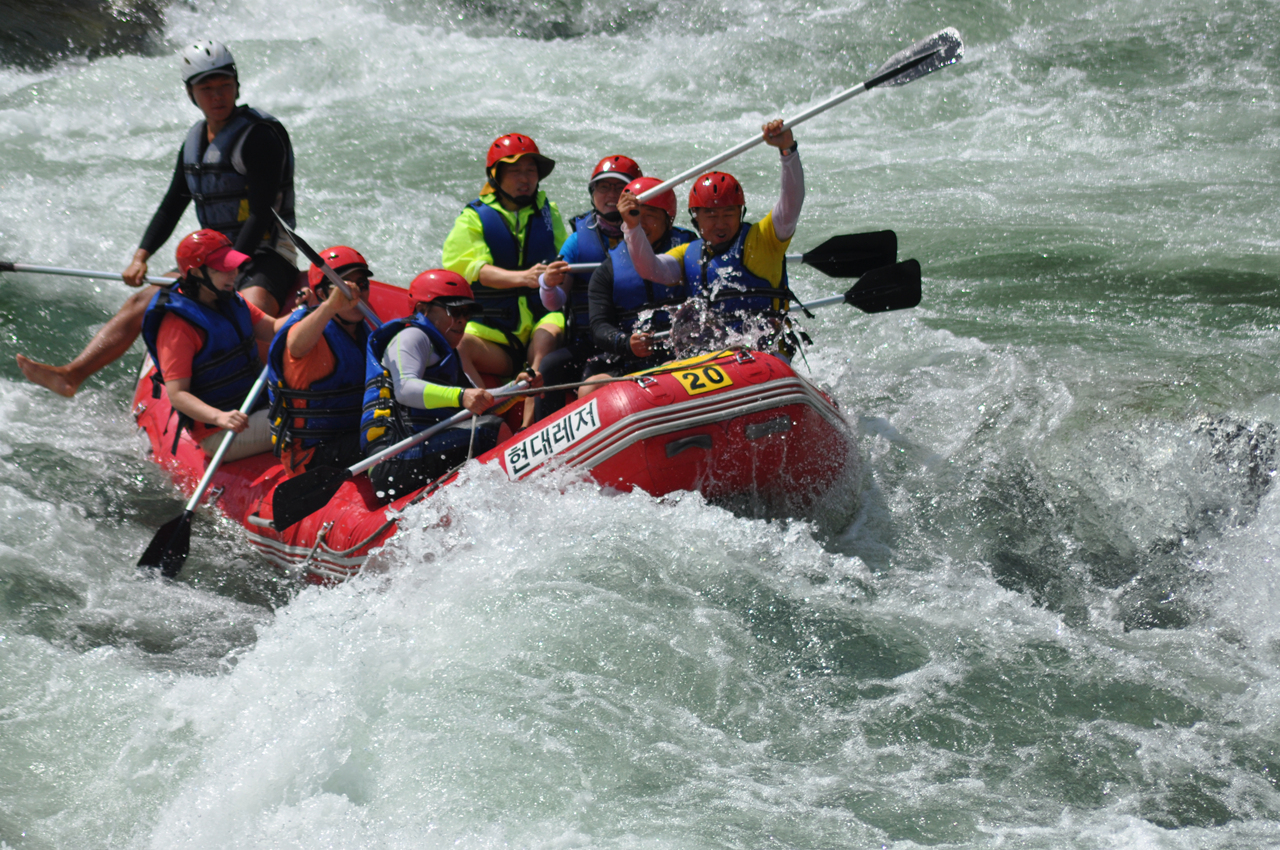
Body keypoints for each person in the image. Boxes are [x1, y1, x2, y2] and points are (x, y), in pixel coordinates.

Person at [16, 39, 299, 397]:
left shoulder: (259, 137)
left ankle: (256, 396)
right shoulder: (195, 140)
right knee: (142, 301)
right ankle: (71, 375)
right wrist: (141, 256)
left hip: (266, 253)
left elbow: (260, 213)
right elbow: (172, 203)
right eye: (206, 89)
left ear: (237, 85)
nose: (217, 96)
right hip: (213, 258)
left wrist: (231, 269)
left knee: (250, 308)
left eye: (225, 85)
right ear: (191, 94)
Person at [620, 119, 802, 352]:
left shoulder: (765, 239)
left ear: (741, 213)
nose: (720, 223)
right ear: (696, 218)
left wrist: (787, 150)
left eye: (729, 213)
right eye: (711, 215)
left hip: (768, 354)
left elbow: (791, 202)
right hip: (712, 359)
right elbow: (651, 269)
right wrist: (632, 227)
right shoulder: (689, 254)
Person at [360, 270, 518, 502]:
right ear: (423, 309)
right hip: (393, 459)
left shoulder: (447, 353)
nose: (462, 320)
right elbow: (405, 389)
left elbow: (480, 402)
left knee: (487, 423)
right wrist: (461, 396)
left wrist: (518, 389)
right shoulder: (411, 337)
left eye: (466, 313)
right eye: (454, 311)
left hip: (422, 447)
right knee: (491, 430)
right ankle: (515, 496)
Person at [141, 229, 282, 462]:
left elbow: (274, 328)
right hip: (221, 432)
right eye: (222, 269)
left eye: (233, 266)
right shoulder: (177, 327)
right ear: (197, 272)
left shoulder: (229, 300)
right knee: (309, 420)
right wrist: (219, 417)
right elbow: (177, 395)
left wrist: (314, 311)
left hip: (258, 406)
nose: (233, 274)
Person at [440, 133, 569, 387]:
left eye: (531, 171)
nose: (525, 179)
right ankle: (484, 403)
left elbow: (565, 257)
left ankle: (531, 405)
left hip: (541, 317)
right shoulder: (472, 217)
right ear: (495, 176)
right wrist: (524, 278)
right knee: (459, 346)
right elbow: (473, 269)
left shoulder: (548, 212)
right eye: (515, 171)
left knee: (547, 336)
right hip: (493, 329)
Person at [580, 176, 698, 395]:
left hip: (680, 355)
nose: (640, 224)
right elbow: (599, 326)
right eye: (635, 215)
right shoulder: (607, 271)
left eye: (650, 216)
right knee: (590, 387)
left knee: (669, 370)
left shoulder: (690, 256)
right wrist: (626, 343)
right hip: (632, 359)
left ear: (669, 220)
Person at [266, 246, 376, 477]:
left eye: (362, 285)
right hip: (312, 455)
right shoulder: (309, 333)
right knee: (388, 437)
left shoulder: (365, 330)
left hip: (354, 437)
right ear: (324, 294)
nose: (356, 293)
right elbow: (295, 345)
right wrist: (331, 306)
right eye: (345, 287)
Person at [539, 155, 644, 365]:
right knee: (550, 366)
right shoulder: (577, 241)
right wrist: (547, 284)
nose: (612, 194)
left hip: (640, 339)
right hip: (593, 340)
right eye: (603, 187)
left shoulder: (650, 233)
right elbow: (555, 303)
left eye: (620, 187)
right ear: (592, 194)